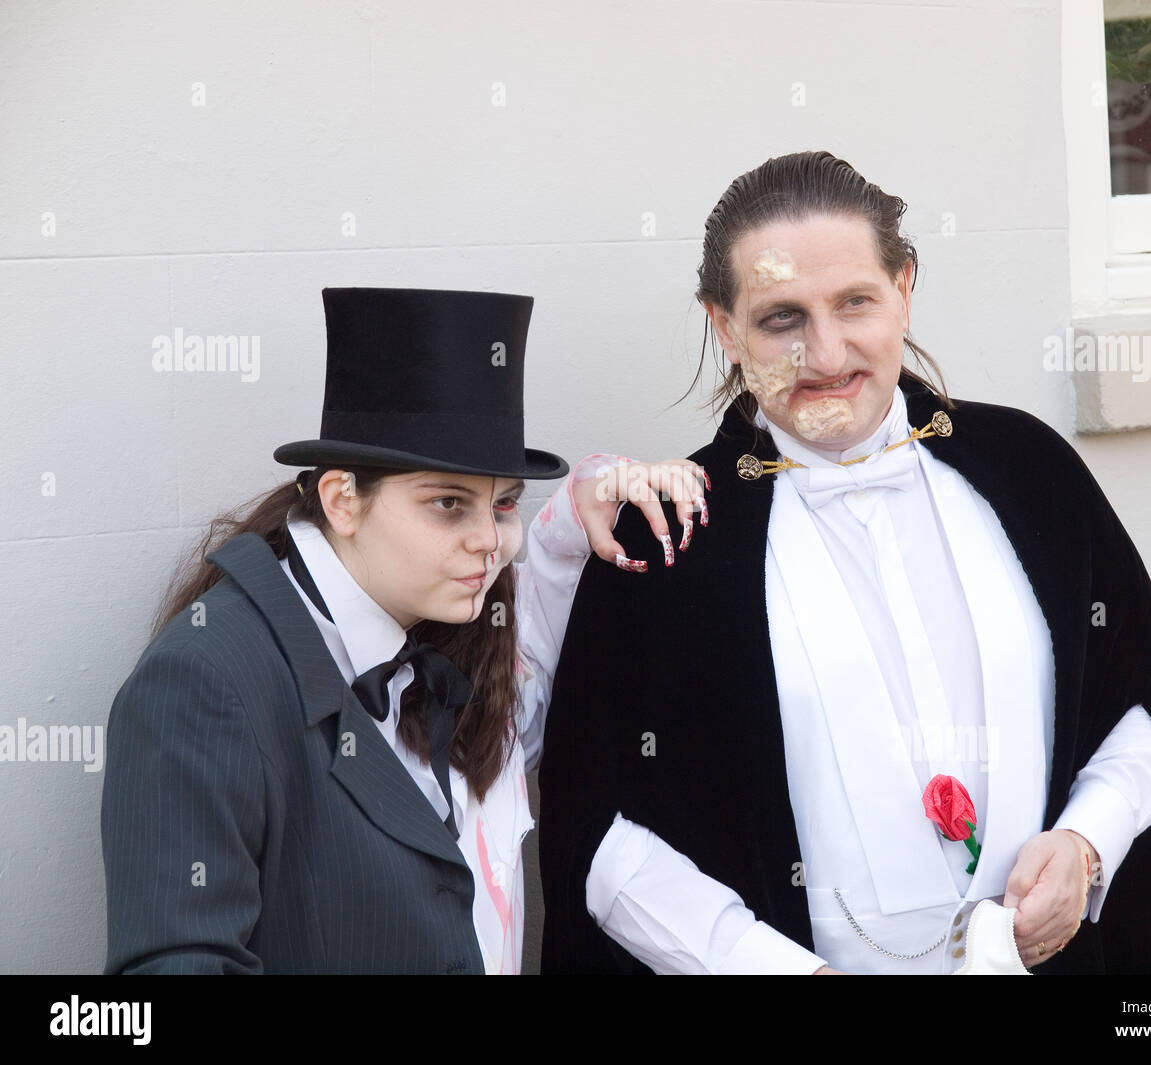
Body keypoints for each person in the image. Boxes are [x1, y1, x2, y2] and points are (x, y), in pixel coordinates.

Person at [538, 152, 1151, 974]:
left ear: (904, 289)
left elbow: (1147, 708)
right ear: (724, 326)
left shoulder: (1032, 472)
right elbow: (602, 835)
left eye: (855, 302)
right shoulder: (670, 536)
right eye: (780, 318)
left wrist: (1088, 843)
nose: (825, 352)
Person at [100, 286, 706, 974]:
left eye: (504, 504)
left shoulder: (454, 624)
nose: (490, 541)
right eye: (448, 503)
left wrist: (587, 508)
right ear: (342, 500)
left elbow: (528, 700)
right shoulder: (204, 682)